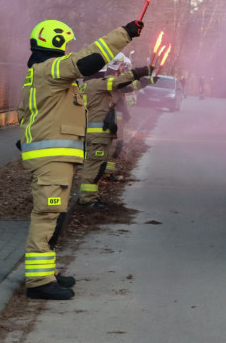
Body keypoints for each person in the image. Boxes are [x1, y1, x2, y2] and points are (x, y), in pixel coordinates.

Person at [19, 18, 142, 300]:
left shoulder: (40, 73)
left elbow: (28, 114)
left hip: (54, 157)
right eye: (65, 44)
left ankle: (45, 272)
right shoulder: (51, 68)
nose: (68, 50)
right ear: (56, 42)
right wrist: (125, 33)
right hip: (52, 159)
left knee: (54, 215)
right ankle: (38, 281)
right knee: (48, 215)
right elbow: (89, 58)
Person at [77, 58, 152, 208]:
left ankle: (91, 197)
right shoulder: (97, 84)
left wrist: (145, 80)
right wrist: (138, 72)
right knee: (94, 166)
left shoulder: (90, 85)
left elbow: (125, 86)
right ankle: (87, 199)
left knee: (97, 166)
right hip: (98, 134)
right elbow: (118, 82)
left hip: (99, 134)